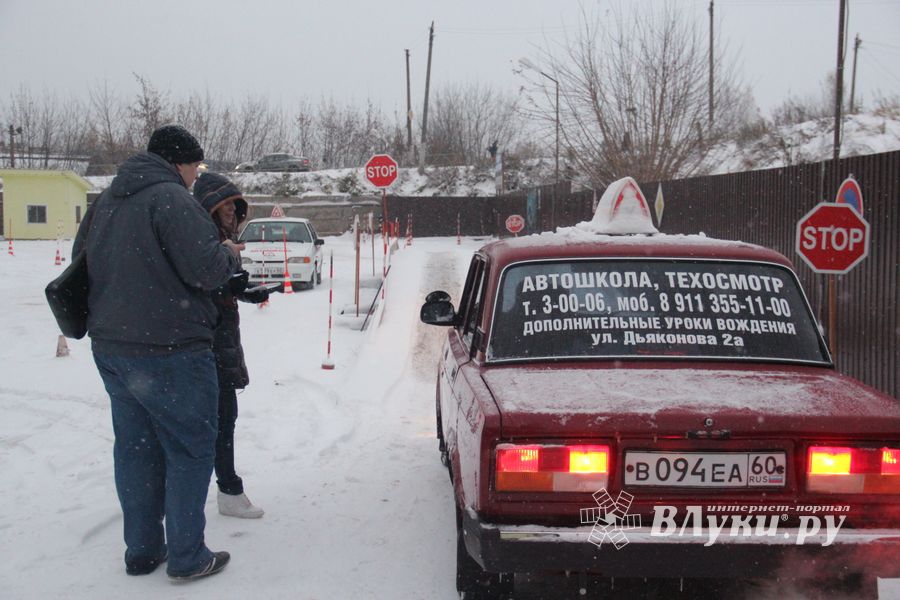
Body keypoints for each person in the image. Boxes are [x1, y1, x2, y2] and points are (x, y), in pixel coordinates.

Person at [73, 125, 242, 581]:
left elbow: (80, 263)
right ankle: (188, 557)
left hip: (113, 349)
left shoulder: (106, 201)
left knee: (136, 449)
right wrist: (229, 253)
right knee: (190, 448)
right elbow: (207, 271)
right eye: (195, 166)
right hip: (171, 349)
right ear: (178, 162)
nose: (196, 176)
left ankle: (143, 550)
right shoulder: (172, 199)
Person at [192, 172, 269, 519]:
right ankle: (227, 490)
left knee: (224, 418)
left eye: (234, 207)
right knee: (218, 420)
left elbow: (220, 286)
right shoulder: (204, 239)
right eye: (224, 207)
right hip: (205, 342)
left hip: (221, 340)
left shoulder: (222, 239)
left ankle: (226, 489)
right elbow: (200, 285)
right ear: (209, 208)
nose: (230, 213)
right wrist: (226, 284)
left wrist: (244, 291)